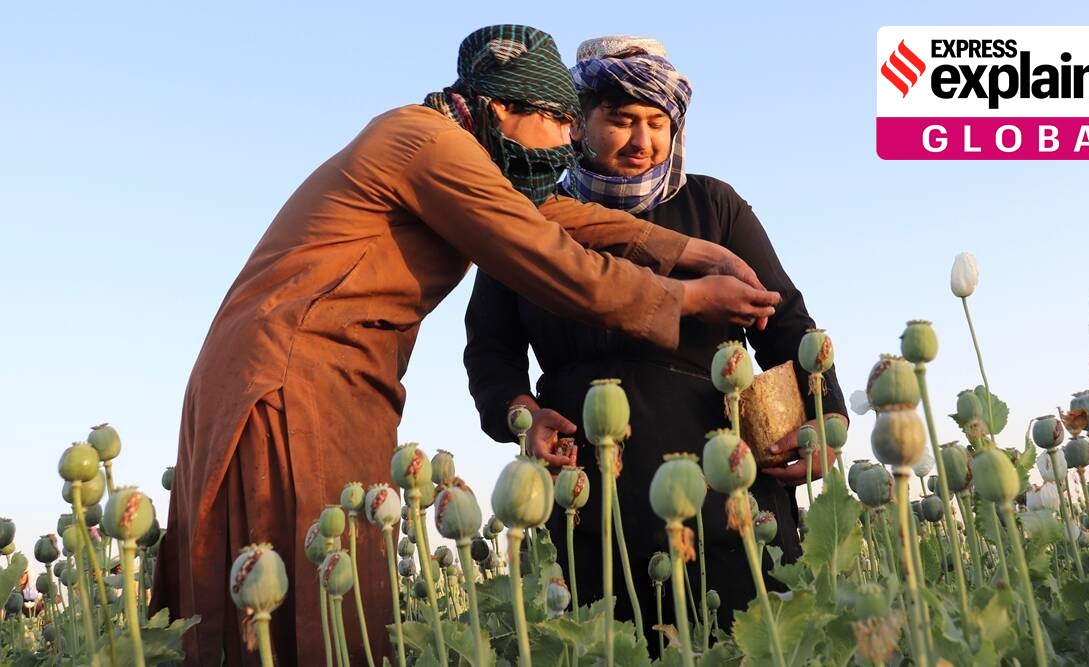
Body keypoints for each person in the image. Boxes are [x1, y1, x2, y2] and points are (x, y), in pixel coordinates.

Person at [151, 25, 780, 666]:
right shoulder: (426, 143)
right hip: (293, 375)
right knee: (314, 613)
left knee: (336, 600)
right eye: (562, 120)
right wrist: (690, 298)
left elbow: (551, 216)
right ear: (505, 110)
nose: (568, 142)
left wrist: (692, 250)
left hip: (325, 376)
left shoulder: (456, 149)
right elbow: (547, 254)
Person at [463, 36, 846, 644]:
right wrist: (521, 414)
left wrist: (826, 419)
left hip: (727, 486)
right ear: (576, 124)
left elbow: (786, 322)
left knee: (748, 645)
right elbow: (490, 348)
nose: (642, 142)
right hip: (590, 492)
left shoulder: (712, 207)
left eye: (657, 122)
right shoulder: (530, 217)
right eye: (620, 120)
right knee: (613, 645)